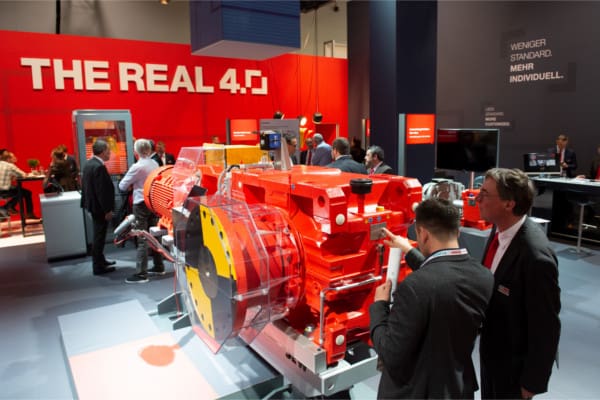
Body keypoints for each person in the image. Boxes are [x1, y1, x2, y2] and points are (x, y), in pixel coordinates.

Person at [370, 198, 494, 399]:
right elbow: (444, 278)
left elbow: (391, 353)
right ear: (457, 231)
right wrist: (408, 250)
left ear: (423, 233)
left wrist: (379, 307)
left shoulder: (415, 287)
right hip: (457, 388)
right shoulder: (484, 276)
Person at [477, 168, 561, 399]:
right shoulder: (498, 229)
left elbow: (546, 326)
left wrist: (532, 382)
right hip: (492, 355)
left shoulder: (535, 257)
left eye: (485, 193)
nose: (477, 198)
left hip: (514, 370)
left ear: (508, 204)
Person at [119, 139, 165, 284]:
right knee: (154, 236)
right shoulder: (154, 163)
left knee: (142, 238)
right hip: (153, 202)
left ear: (136, 152)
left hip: (140, 204)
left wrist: (133, 185)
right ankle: (159, 266)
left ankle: (141, 274)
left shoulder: (137, 167)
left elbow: (122, 186)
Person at [81, 139, 116, 276]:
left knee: (99, 235)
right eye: (108, 151)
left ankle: (101, 261)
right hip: (99, 208)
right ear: (102, 152)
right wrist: (107, 210)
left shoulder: (89, 164)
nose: (110, 153)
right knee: (99, 237)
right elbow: (102, 192)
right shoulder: (99, 167)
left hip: (93, 206)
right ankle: (98, 266)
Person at [0, 150, 40, 219]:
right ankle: (7, 207)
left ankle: (8, 207)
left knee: (20, 191)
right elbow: (23, 175)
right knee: (26, 192)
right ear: (8, 159)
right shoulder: (10, 166)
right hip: (4, 191)